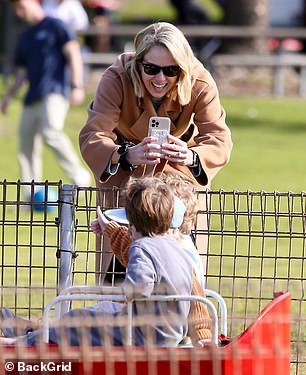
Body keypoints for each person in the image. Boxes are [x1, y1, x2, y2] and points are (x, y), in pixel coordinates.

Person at [79, 21, 233, 283]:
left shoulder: (200, 81)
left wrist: (191, 156)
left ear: (182, 70)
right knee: (119, 265)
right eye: (151, 69)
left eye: (171, 70)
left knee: (182, 266)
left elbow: (219, 138)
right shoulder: (117, 77)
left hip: (179, 174)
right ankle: (117, 311)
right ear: (138, 64)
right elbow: (93, 136)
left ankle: (186, 309)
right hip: (126, 169)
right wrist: (126, 154)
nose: (160, 79)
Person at [0, 176, 193, 347]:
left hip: (144, 334)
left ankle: (21, 343)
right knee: (104, 308)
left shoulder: (142, 247)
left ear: (131, 222)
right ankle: (34, 334)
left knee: (79, 320)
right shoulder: (176, 246)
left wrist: (125, 290)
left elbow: (139, 289)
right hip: (170, 330)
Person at [90, 172, 212, 346]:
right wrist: (109, 227)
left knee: (94, 316)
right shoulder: (160, 245)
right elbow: (130, 249)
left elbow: (196, 302)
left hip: (165, 336)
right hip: (162, 331)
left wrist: (203, 336)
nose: (131, 228)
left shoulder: (179, 253)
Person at [1, 0, 91, 201]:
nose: (18, 10)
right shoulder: (25, 36)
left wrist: (77, 85)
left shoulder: (55, 25)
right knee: (25, 145)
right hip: (31, 97)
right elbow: (22, 73)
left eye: (21, 4)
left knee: (50, 132)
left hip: (55, 92)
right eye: (14, 7)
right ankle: (31, 196)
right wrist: (8, 96)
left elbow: (74, 53)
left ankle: (80, 176)